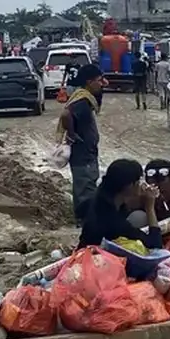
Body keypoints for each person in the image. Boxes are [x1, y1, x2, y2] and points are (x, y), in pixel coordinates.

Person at [56, 63, 106, 225]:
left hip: (86, 153)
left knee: (85, 185)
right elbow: (65, 114)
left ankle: (84, 218)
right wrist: (71, 134)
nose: (101, 83)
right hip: (82, 154)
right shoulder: (82, 101)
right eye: (99, 80)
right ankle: (85, 220)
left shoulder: (84, 98)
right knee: (86, 187)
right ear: (89, 82)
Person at [77, 158, 163, 250]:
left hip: (85, 250)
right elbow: (155, 244)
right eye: (137, 181)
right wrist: (149, 206)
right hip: (96, 258)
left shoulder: (97, 199)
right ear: (129, 186)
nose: (140, 184)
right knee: (140, 217)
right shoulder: (113, 221)